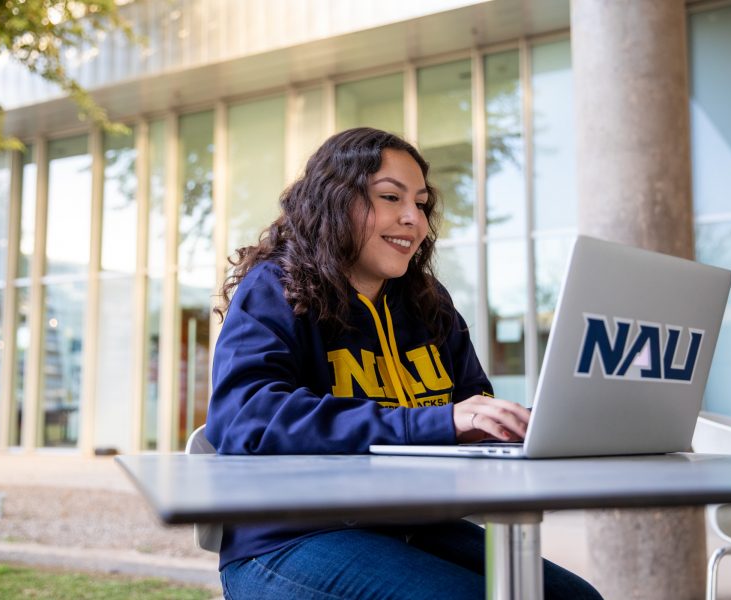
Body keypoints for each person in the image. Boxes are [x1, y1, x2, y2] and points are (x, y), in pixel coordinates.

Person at [207, 127, 602, 600]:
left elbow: (470, 407)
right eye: (390, 197)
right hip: (289, 537)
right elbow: (246, 418)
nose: (413, 219)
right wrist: (436, 423)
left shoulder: (427, 302)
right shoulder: (276, 286)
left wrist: (505, 426)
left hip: (413, 525)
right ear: (333, 201)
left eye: (421, 203)